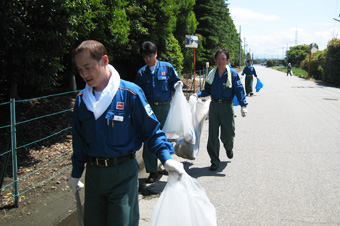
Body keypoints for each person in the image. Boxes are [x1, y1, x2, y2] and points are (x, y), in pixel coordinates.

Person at [67, 40, 185, 226]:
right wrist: (76, 173)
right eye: (80, 69)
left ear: (104, 60)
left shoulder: (130, 93)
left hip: (122, 174)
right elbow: (79, 142)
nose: (84, 74)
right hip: (94, 176)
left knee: (122, 221)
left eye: (88, 67)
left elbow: (151, 131)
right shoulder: (82, 101)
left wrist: (166, 158)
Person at [192, 49, 248, 171]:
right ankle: (214, 160)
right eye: (218, 59)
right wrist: (198, 94)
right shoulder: (212, 74)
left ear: (228, 60)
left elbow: (238, 89)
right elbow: (207, 90)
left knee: (228, 134)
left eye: (223, 59)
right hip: (214, 106)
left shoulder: (232, 74)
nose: (221, 61)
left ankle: (228, 147)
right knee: (212, 135)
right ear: (215, 60)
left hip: (227, 107)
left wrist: (243, 105)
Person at [135, 41, 182, 183]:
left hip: (165, 107)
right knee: (150, 139)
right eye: (145, 57)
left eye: (150, 56)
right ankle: (152, 170)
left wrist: (178, 84)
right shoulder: (141, 73)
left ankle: (164, 164)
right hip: (149, 110)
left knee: (166, 138)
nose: (148, 59)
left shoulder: (167, 68)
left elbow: (175, 81)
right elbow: (137, 93)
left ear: (156, 54)